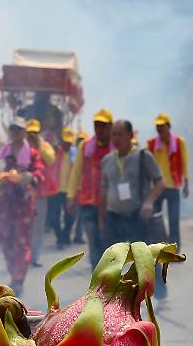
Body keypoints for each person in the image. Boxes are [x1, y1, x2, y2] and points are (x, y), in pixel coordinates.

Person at [0, 117, 44, 296]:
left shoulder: (32, 153)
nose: (15, 133)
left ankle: (18, 279)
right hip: (5, 204)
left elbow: (39, 175)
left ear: (24, 132)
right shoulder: (3, 153)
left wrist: (25, 177)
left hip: (23, 204)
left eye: (19, 129)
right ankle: (14, 272)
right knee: (6, 240)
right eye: (12, 129)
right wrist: (1, 176)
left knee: (22, 243)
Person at [99, 119, 165, 251]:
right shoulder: (107, 160)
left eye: (120, 134)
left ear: (130, 135)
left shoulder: (143, 157)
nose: (116, 138)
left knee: (145, 262)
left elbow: (160, 182)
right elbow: (104, 190)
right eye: (113, 135)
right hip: (114, 217)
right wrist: (101, 219)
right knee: (111, 263)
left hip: (137, 216)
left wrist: (149, 202)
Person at [67, 109, 114, 267]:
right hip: (88, 203)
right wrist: (70, 196)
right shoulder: (86, 146)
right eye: (96, 125)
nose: (99, 129)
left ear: (110, 127)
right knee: (93, 244)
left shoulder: (117, 147)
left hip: (111, 206)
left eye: (103, 125)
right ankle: (98, 282)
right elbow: (76, 172)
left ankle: (108, 279)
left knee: (108, 243)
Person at [148, 113, 190, 250]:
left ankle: (174, 248)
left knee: (174, 219)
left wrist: (186, 184)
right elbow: (148, 165)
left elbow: (184, 162)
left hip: (173, 185)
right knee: (156, 220)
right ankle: (158, 247)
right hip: (157, 187)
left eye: (162, 126)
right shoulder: (152, 143)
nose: (159, 129)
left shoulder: (179, 142)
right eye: (157, 126)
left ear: (169, 126)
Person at [27, 119, 57, 266]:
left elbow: (51, 160)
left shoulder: (45, 146)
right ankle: (24, 255)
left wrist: (39, 146)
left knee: (38, 227)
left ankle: (35, 256)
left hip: (40, 194)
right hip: (24, 193)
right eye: (29, 133)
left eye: (34, 133)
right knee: (24, 226)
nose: (31, 136)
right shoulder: (21, 147)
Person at [46, 127, 76, 250]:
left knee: (70, 216)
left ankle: (65, 234)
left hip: (69, 191)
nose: (67, 144)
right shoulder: (54, 152)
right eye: (65, 142)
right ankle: (60, 238)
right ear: (61, 141)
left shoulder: (74, 154)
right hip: (55, 190)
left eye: (69, 142)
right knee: (54, 216)